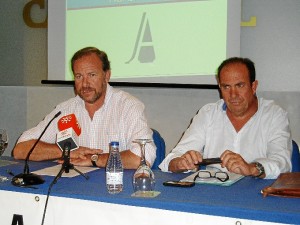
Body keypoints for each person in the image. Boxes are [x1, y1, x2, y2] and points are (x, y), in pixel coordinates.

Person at [13, 47, 156, 169]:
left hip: (116, 190)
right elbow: (20, 149)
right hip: (75, 190)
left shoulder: (128, 106)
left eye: (92, 75)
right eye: (79, 76)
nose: (85, 84)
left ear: (106, 75)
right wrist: (66, 151)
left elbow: (143, 157)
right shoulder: (65, 110)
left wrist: (94, 159)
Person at [159, 57, 292, 179]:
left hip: (257, 191)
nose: (233, 94)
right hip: (214, 191)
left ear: (253, 86)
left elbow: (283, 163)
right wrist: (180, 163)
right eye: (226, 87)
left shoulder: (274, 115)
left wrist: (251, 168)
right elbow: (172, 159)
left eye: (239, 85)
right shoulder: (208, 113)